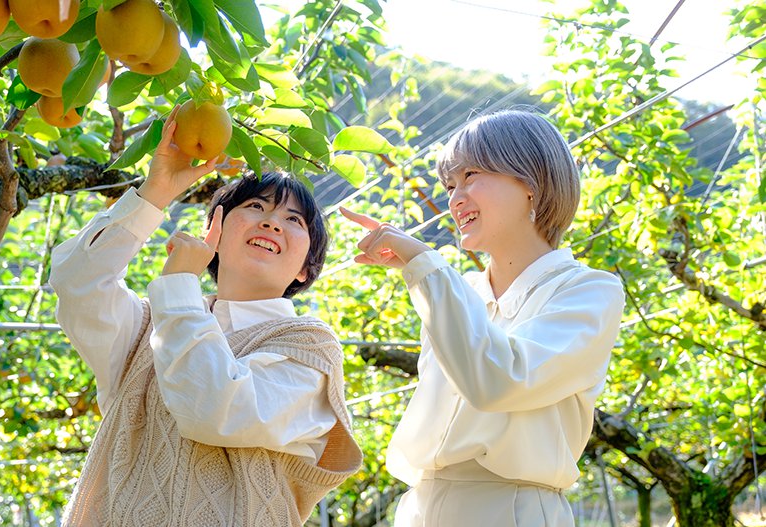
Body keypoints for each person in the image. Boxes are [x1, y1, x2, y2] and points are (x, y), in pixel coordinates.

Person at [49, 106, 362, 527]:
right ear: (215, 231)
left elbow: (215, 408)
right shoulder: (150, 329)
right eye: (255, 206)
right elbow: (76, 282)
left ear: (306, 267)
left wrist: (180, 286)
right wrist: (155, 192)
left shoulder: (310, 347)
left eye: (294, 220)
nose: (272, 222)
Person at [341, 109, 625, 526]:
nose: (455, 198)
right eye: (451, 184)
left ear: (531, 182)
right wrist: (428, 276)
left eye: (471, 176)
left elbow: (500, 380)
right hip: (421, 505)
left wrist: (423, 265)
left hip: (510, 510)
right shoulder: (460, 292)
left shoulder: (588, 291)